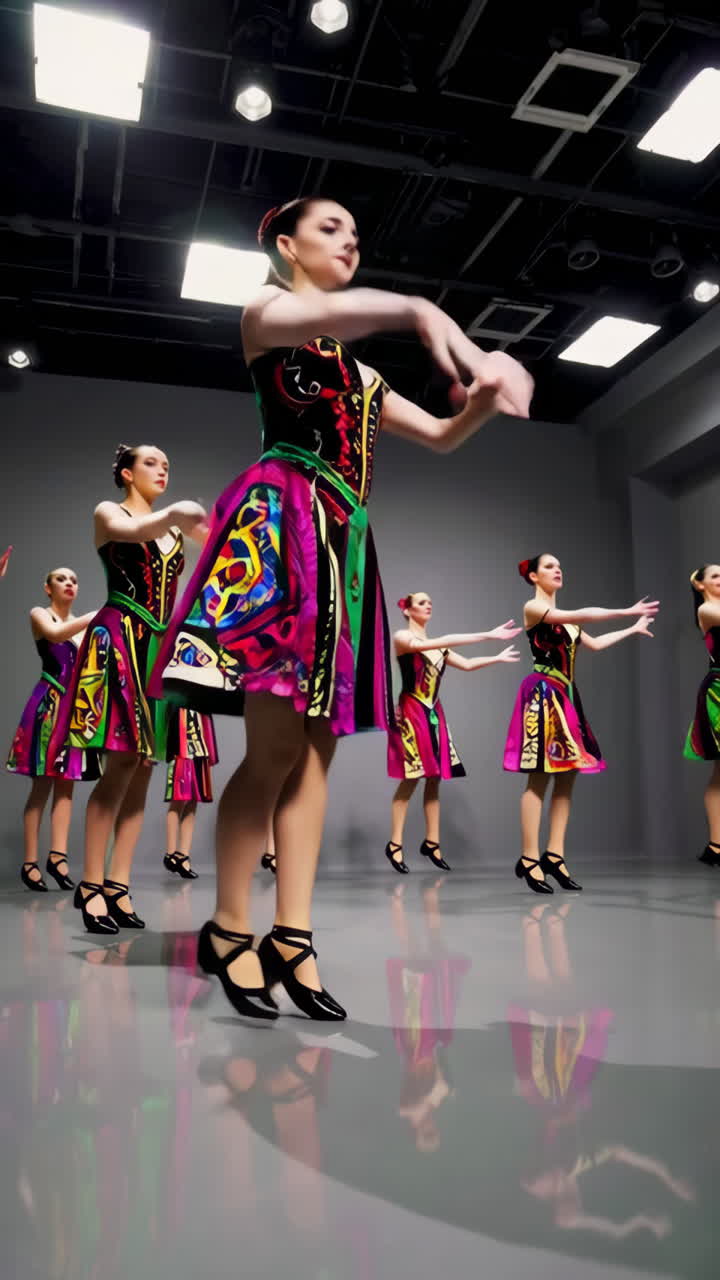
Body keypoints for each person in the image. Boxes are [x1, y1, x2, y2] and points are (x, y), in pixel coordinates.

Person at [151, 195, 533, 1021]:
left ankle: (292, 934)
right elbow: (340, 316)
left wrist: (481, 396)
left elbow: (437, 434)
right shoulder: (267, 312)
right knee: (275, 746)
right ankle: (228, 924)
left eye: (359, 236)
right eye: (331, 229)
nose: (350, 243)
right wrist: (420, 307)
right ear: (285, 245)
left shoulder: (360, 375)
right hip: (281, 526)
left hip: (343, 549)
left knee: (317, 751)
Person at [48, 444, 207, 934]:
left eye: (167, 464)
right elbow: (137, 531)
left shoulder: (175, 528)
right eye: (151, 464)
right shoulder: (109, 512)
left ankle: (117, 884)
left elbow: (223, 546)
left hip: (160, 648)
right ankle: (91, 884)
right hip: (121, 637)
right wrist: (179, 515)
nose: (161, 470)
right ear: (126, 473)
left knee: (143, 765)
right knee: (119, 762)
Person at [504, 553, 657, 893]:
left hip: (567, 695)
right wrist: (626, 611)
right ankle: (529, 857)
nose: (557, 569)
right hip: (543, 691)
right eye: (548, 566)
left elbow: (596, 643)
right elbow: (581, 613)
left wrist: (632, 628)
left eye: (560, 565)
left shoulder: (569, 621)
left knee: (568, 776)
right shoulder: (534, 609)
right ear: (532, 577)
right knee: (540, 776)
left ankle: (554, 854)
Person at [386, 590, 520, 873]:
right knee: (413, 776)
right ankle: (395, 844)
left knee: (435, 777)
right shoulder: (403, 638)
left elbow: (468, 665)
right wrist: (488, 634)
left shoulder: (438, 647)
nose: (428, 605)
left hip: (434, 712)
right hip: (411, 710)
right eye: (422, 602)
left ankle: (432, 842)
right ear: (408, 610)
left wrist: (496, 657)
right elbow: (441, 642)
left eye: (430, 601)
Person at [6, 567, 98, 891]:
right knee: (42, 785)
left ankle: (58, 857)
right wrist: (94, 617)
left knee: (67, 786)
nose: (70, 583)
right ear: (47, 588)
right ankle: (30, 862)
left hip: (74, 710)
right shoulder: (40, 615)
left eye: (74, 579)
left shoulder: (82, 631)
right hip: (48, 705)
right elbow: (56, 636)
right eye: (61, 579)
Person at [685, 565, 720, 866]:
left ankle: (715, 846)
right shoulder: (708, 610)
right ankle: (717, 844)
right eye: (716, 576)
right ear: (700, 585)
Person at [163, 705, 218, 880]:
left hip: (201, 750)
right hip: (181, 750)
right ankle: (170, 852)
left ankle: (183, 855)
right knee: (178, 799)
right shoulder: (175, 692)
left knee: (194, 799)